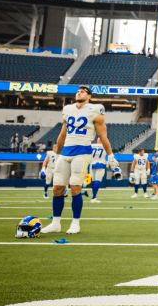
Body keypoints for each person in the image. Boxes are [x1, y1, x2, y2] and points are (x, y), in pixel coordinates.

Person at [40, 86, 111, 234]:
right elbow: (62, 134)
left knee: (75, 186)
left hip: (82, 151)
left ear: (89, 96)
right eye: (78, 91)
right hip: (66, 151)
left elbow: (103, 136)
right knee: (57, 188)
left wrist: (110, 155)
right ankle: (56, 223)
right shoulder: (67, 109)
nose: (79, 92)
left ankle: (75, 223)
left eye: (83, 91)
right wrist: (58, 153)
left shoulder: (96, 110)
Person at [88, 112, 114, 203]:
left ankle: (93, 196)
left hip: (92, 164)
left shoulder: (92, 146)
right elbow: (108, 155)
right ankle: (94, 197)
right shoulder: (104, 146)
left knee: (93, 181)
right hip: (101, 164)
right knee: (97, 181)